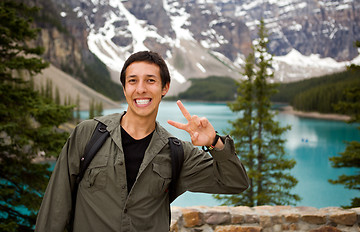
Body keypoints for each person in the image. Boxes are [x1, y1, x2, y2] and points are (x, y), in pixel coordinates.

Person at [35, 51, 249, 232]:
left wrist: (214, 142)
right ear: (124, 88)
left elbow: (235, 182)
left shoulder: (178, 153)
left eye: (150, 80)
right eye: (132, 81)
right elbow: (55, 207)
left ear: (164, 88)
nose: (140, 89)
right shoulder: (88, 134)